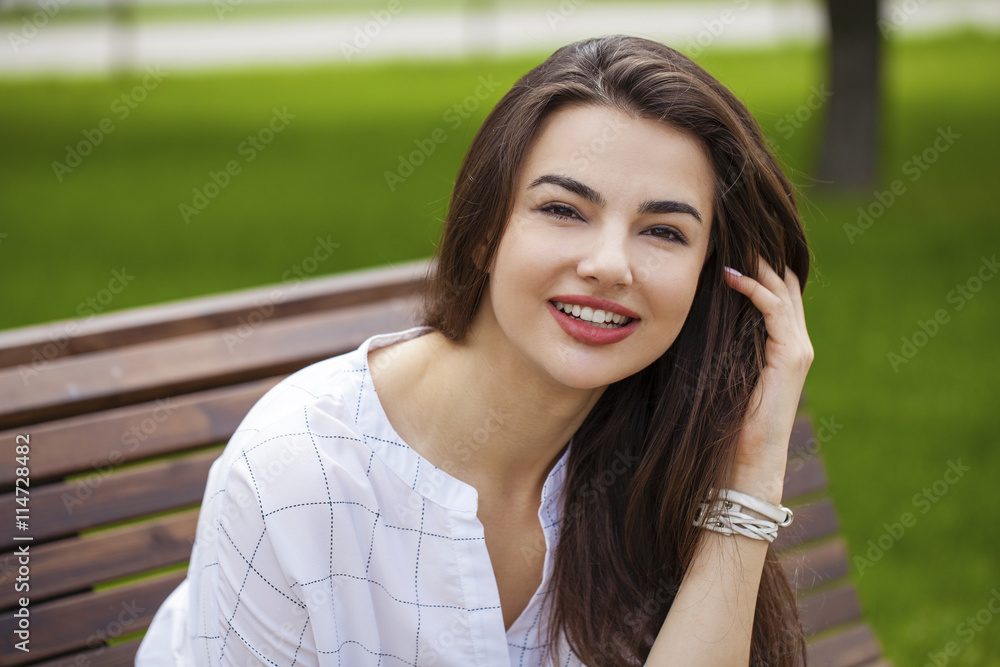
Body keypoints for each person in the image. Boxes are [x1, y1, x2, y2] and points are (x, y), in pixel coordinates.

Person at [137, 34, 812, 666]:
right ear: (486, 230)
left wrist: (750, 473)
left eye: (663, 231)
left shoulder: (658, 457)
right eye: (563, 210)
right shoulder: (300, 474)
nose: (610, 265)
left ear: (709, 276)